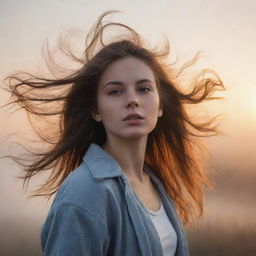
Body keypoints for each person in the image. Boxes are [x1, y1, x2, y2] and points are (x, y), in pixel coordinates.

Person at [3, 10, 224, 256]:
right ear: (96, 110)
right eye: (115, 92)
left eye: (143, 89)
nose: (133, 101)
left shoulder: (154, 181)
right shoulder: (84, 194)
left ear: (160, 106)